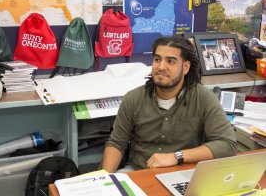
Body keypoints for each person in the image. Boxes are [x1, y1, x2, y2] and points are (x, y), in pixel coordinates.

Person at [101, 37, 237, 173]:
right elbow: (116, 143)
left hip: (184, 172)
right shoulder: (133, 98)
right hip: (139, 170)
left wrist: (177, 156)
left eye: (170, 61)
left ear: (185, 67)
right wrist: (105, 180)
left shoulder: (203, 98)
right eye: (157, 59)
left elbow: (227, 144)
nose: (160, 67)